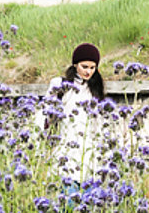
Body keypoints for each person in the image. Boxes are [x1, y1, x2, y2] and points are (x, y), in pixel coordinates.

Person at [44, 42, 105, 182]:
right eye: (84, 67)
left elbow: (99, 127)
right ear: (75, 65)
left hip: (90, 159)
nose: (88, 72)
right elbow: (47, 115)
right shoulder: (61, 85)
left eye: (92, 68)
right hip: (65, 155)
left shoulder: (95, 91)